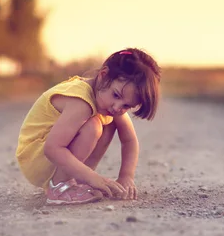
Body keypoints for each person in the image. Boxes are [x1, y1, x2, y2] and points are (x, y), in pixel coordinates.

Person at [16, 48, 161, 205]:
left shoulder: (108, 101)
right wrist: (94, 178)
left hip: (54, 157)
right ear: (103, 75)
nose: (117, 107)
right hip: (35, 156)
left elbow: (130, 140)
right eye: (116, 95)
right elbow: (52, 148)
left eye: (127, 105)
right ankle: (59, 187)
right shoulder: (81, 102)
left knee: (110, 122)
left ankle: (77, 182)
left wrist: (126, 176)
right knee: (93, 126)